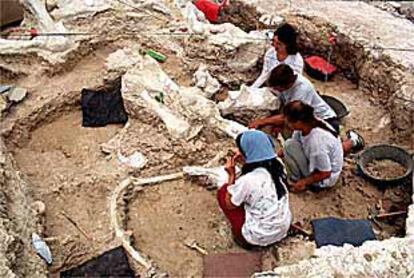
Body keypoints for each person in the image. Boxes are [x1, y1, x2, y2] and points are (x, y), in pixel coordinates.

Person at [217, 130, 292, 248]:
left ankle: (242, 239)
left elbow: (229, 204)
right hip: (282, 229)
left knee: (223, 192)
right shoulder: (278, 165)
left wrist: (231, 175)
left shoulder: (248, 180)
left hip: (258, 236)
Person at [280, 101, 362, 192]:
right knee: (289, 146)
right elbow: (296, 141)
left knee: (288, 146)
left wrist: (304, 182)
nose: (286, 123)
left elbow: (325, 173)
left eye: (289, 121)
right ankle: (353, 141)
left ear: (299, 122)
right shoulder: (310, 123)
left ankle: (295, 180)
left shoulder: (316, 142)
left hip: (324, 180)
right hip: (327, 160)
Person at [249, 64, 340, 133]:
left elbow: (289, 116)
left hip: (324, 121)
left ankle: (352, 141)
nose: (276, 90)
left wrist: (261, 122)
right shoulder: (287, 78)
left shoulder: (302, 90)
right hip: (304, 121)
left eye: (277, 88)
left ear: (288, 84)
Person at [251, 23, 304, 89]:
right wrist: (252, 89)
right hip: (272, 87)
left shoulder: (297, 61)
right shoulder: (270, 53)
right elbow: (265, 74)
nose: (275, 46)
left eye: (279, 44)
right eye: (274, 41)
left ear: (288, 45)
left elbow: (295, 83)